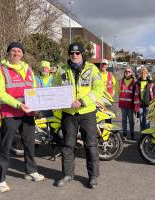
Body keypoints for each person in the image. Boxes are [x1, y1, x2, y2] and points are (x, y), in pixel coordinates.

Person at [0, 42, 44, 193]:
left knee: (29, 144)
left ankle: (31, 171)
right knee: (5, 146)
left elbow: (34, 89)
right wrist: (18, 105)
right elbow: (0, 93)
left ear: (22, 54)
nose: (16, 53)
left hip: (28, 113)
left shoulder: (27, 68)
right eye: (13, 51)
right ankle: (0, 180)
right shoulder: (1, 69)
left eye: (19, 51)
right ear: (9, 53)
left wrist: (36, 107)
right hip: (10, 113)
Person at [53, 42, 104, 188]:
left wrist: (82, 101)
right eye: (71, 53)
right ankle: (68, 174)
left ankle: (93, 177)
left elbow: (98, 89)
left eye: (77, 53)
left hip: (87, 112)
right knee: (67, 145)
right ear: (69, 54)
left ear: (82, 54)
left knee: (91, 145)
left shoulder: (92, 69)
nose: (74, 55)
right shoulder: (62, 69)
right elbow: (55, 88)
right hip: (68, 113)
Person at [118, 67, 139, 140]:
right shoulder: (121, 81)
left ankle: (132, 134)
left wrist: (136, 106)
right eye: (126, 72)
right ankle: (124, 134)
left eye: (129, 72)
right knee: (124, 120)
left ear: (131, 73)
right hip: (123, 104)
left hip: (130, 105)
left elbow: (136, 94)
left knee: (131, 120)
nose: (127, 73)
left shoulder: (134, 82)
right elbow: (118, 92)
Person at [135, 67, 155, 131]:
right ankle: (142, 136)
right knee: (141, 121)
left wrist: (152, 105)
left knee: (147, 122)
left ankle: (146, 138)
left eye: (144, 73)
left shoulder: (151, 83)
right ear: (140, 74)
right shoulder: (137, 83)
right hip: (140, 106)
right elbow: (134, 95)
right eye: (142, 73)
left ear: (147, 74)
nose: (143, 74)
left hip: (148, 106)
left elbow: (154, 94)